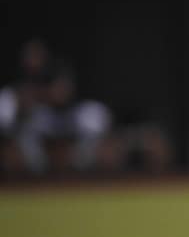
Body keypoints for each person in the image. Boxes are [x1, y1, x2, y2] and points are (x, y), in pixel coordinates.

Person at [0, 39, 112, 174]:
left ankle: (82, 168)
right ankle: (35, 172)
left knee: (94, 118)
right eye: (30, 57)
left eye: (37, 56)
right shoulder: (21, 79)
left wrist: (54, 94)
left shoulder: (57, 68)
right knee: (26, 131)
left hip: (69, 116)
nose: (33, 61)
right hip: (44, 118)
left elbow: (64, 96)